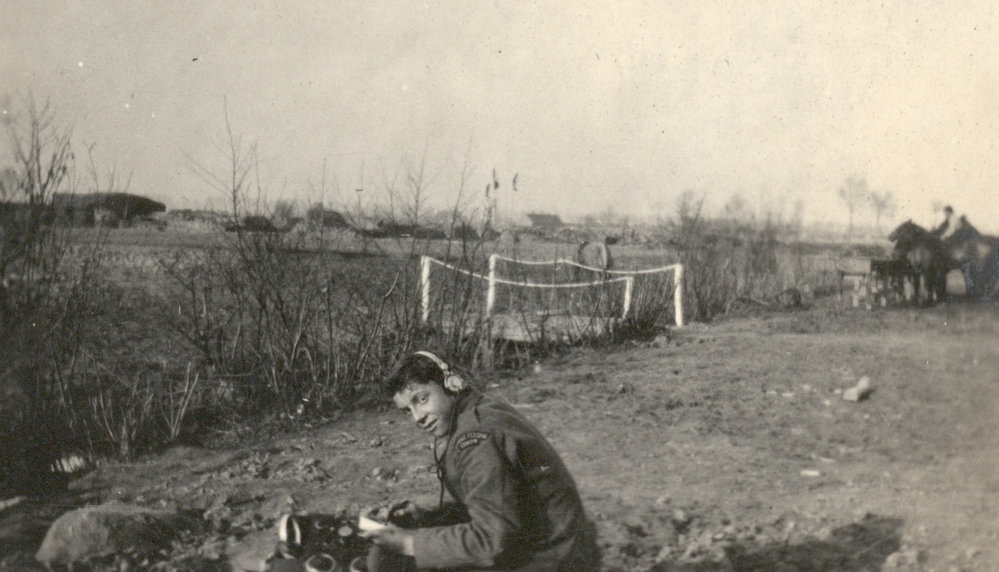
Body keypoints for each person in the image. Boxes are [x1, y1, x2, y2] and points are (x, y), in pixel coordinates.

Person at [358, 350, 598, 571]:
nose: (417, 417)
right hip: (561, 544)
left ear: (451, 385)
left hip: (551, 560)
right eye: (407, 410)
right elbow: (501, 501)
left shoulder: (475, 439)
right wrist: (426, 515)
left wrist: (409, 543)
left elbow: (492, 540)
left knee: (386, 560)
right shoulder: (481, 408)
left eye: (422, 399)